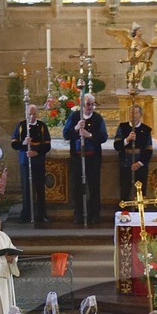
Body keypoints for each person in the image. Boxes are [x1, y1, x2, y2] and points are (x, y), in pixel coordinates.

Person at [64, 91, 109, 224]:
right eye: (87, 104)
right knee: (77, 186)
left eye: (91, 104)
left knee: (94, 186)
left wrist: (89, 135)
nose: (89, 107)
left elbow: (103, 137)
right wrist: (76, 128)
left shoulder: (97, 118)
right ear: (82, 105)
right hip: (77, 158)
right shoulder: (74, 117)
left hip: (93, 159)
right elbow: (66, 134)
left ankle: (95, 213)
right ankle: (78, 213)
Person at [12, 104, 52, 224]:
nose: (32, 116)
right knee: (26, 188)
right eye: (29, 114)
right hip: (25, 161)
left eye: (34, 114)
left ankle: (41, 214)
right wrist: (24, 144)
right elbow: (14, 143)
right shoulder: (21, 126)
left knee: (40, 188)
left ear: (37, 114)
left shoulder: (42, 126)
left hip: (38, 161)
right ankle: (26, 214)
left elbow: (47, 145)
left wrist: (36, 152)